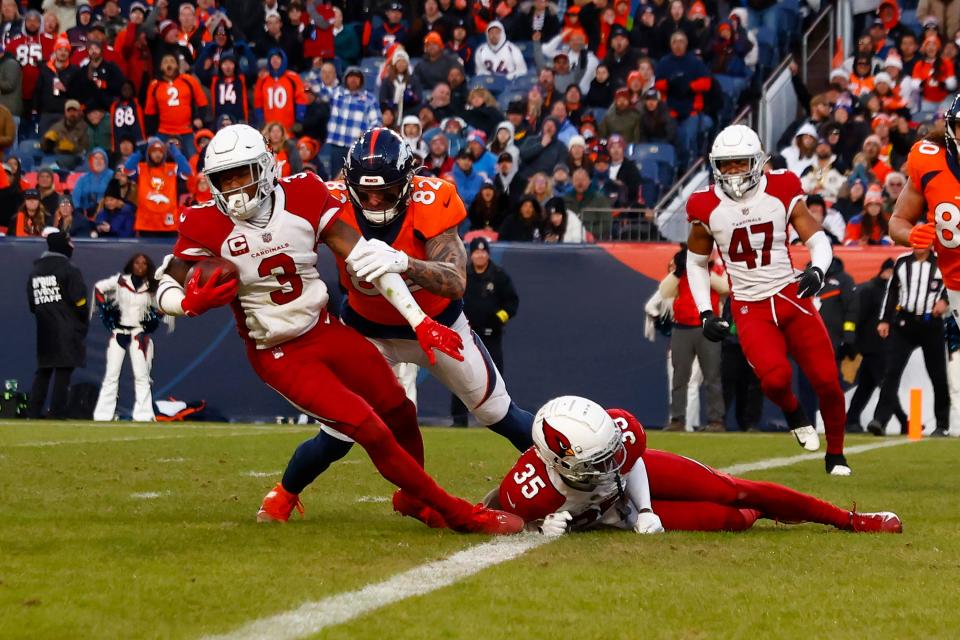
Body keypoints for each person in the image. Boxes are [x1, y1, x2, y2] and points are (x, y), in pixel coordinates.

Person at [154, 124, 520, 535]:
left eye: (242, 173)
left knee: (400, 409)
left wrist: (420, 321)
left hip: (326, 328)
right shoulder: (203, 220)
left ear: (264, 166)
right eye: (224, 178)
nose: (235, 187)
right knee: (367, 428)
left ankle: (413, 500)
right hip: (278, 350)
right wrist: (183, 304)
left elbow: (366, 257)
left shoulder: (304, 192)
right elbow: (165, 277)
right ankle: (457, 514)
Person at [266, 127, 535, 512]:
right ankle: (285, 494)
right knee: (338, 432)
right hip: (367, 333)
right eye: (366, 191)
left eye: (387, 191)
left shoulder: (433, 199)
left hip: (438, 327)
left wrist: (406, 262)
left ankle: (567, 471)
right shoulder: (331, 199)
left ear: (408, 182)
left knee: (496, 412)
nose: (375, 201)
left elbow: (456, 281)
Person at [685, 125, 851, 475]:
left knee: (827, 382)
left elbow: (816, 237)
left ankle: (836, 454)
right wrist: (704, 311)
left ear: (757, 162)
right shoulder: (704, 203)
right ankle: (793, 412)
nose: (732, 172)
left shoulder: (782, 187)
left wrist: (818, 269)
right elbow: (697, 262)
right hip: (750, 306)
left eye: (740, 163)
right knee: (774, 381)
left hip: (791, 296)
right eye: (725, 165)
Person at [490, 395, 903, 535]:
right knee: (737, 520)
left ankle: (848, 520)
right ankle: (770, 512)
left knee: (731, 489)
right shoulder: (530, 491)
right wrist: (536, 526)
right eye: (599, 459)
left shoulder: (618, 438)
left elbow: (629, 461)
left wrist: (648, 508)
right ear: (559, 461)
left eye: (610, 450)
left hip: (640, 486)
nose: (611, 460)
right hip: (615, 514)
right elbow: (493, 514)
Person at [866, 246, 950, 438]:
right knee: (891, 371)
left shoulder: (942, 262)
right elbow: (892, 292)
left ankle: (942, 424)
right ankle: (880, 420)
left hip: (931, 323)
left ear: (929, 244)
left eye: (922, 244)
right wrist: (884, 319)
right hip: (905, 323)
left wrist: (945, 301)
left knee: (938, 375)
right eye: (916, 243)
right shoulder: (903, 262)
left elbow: (954, 285)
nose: (919, 248)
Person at [451, 237, 519, 425]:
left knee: (494, 376)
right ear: (471, 255)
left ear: (488, 254)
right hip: (465, 334)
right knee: (459, 374)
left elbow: (512, 303)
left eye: (483, 252)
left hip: (491, 334)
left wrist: (500, 318)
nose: (480, 255)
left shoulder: (499, 275)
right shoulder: (463, 274)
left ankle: (497, 419)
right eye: (476, 252)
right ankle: (459, 419)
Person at [659, 245, 727, 432]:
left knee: (712, 376)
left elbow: (726, 288)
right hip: (682, 327)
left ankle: (716, 420)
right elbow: (665, 292)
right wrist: (680, 271)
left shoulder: (714, 270)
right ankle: (677, 419)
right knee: (679, 376)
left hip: (707, 327)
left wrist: (702, 269)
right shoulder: (680, 274)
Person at [92, 253, 165, 422]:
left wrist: (157, 316)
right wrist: (104, 308)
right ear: (131, 265)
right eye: (137, 262)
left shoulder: (151, 285)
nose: (140, 266)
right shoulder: (120, 281)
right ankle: (103, 415)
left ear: (148, 267)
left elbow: (163, 304)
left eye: (144, 263)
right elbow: (99, 288)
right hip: (118, 332)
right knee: (111, 375)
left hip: (138, 334)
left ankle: (144, 415)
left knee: (142, 376)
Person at [26, 232, 88, 419]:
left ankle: (33, 412)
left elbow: (32, 303)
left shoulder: (35, 271)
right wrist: (82, 317)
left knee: (44, 370)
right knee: (64, 370)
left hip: (44, 327)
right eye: (69, 242)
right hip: (67, 327)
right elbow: (80, 301)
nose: (72, 246)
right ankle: (57, 413)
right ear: (62, 245)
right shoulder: (69, 269)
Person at [846, 258, 908, 433]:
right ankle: (903, 421)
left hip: (880, 346)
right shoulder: (871, 290)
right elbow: (858, 317)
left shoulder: (886, 291)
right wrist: (853, 342)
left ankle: (851, 420)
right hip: (874, 347)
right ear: (887, 271)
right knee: (885, 385)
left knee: (865, 387)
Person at [124, 137, 192, 236]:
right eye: (154, 151)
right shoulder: (142, 168)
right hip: (146, 224)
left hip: (168, 223)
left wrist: (174, 151)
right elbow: (127, 169)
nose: (157, 154)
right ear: (148, 154)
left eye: (160, 152)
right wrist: (139, 152)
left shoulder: (172, 168)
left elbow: (187, 171)